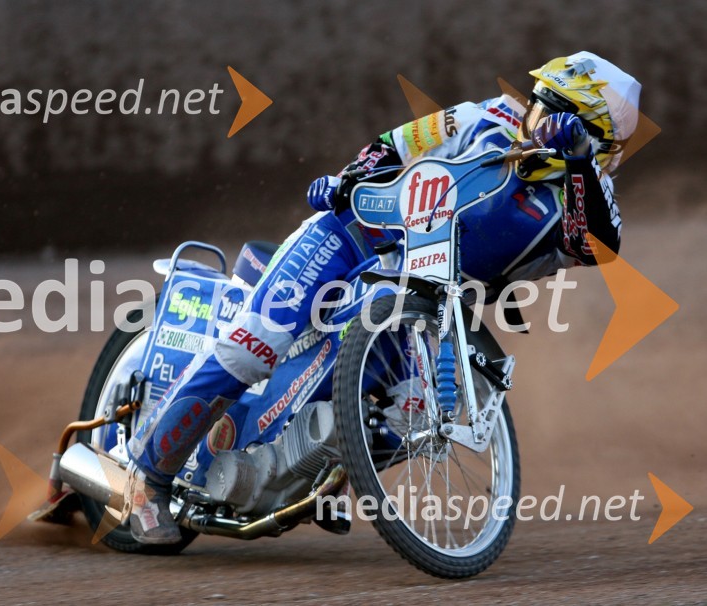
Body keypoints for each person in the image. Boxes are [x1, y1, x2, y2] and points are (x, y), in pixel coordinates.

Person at [123, 51, 641, 543]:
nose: (536, 117)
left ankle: (319, 473)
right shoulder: (487, 116)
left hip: (420, 299)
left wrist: (575, 164)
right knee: (255, 345)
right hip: (355, 234)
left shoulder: (584, 199)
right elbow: (397, 142)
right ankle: (148, 482)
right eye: (540, 102)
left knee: (415, 412)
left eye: (554, 115)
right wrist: (347, 178)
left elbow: (597, 245)